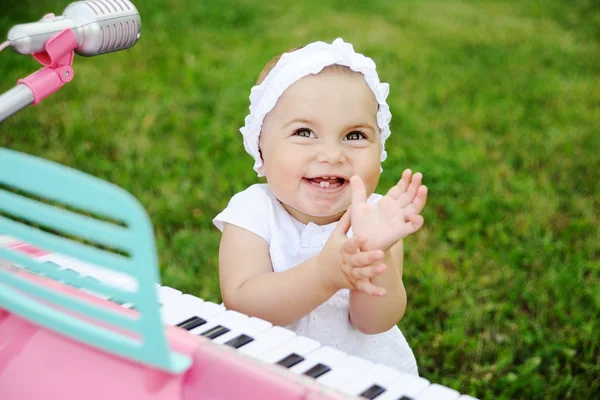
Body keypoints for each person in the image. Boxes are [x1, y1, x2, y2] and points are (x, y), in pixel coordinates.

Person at [213, 38, 428, 374]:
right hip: (266, 371)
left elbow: (374, 323)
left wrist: (377, 253)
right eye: (304, 132)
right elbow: (242, 303)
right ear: (260, 149)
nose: (331, 154)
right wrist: (323, 275)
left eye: (354, 135)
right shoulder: (252, 212)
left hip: (354, 374)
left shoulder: (374, 219)